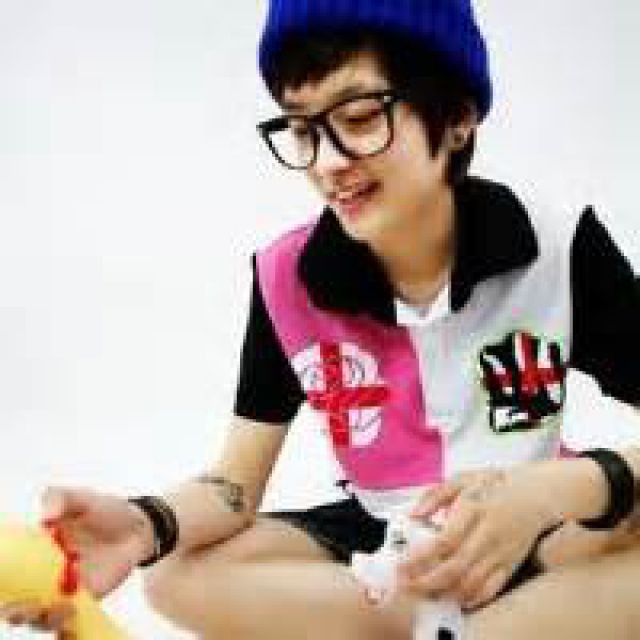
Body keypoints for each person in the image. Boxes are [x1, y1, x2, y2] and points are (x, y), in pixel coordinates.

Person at [3, 1, 640, 638]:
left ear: (458, 117)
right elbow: (233, 486)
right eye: (303, 130)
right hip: (386, 539)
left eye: (359, 118)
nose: (327, 163)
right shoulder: (286, 277)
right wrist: (147, 524)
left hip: (538, 528)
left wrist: (547, 493)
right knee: (175, 574)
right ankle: (475, 624)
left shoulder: (559, 250)